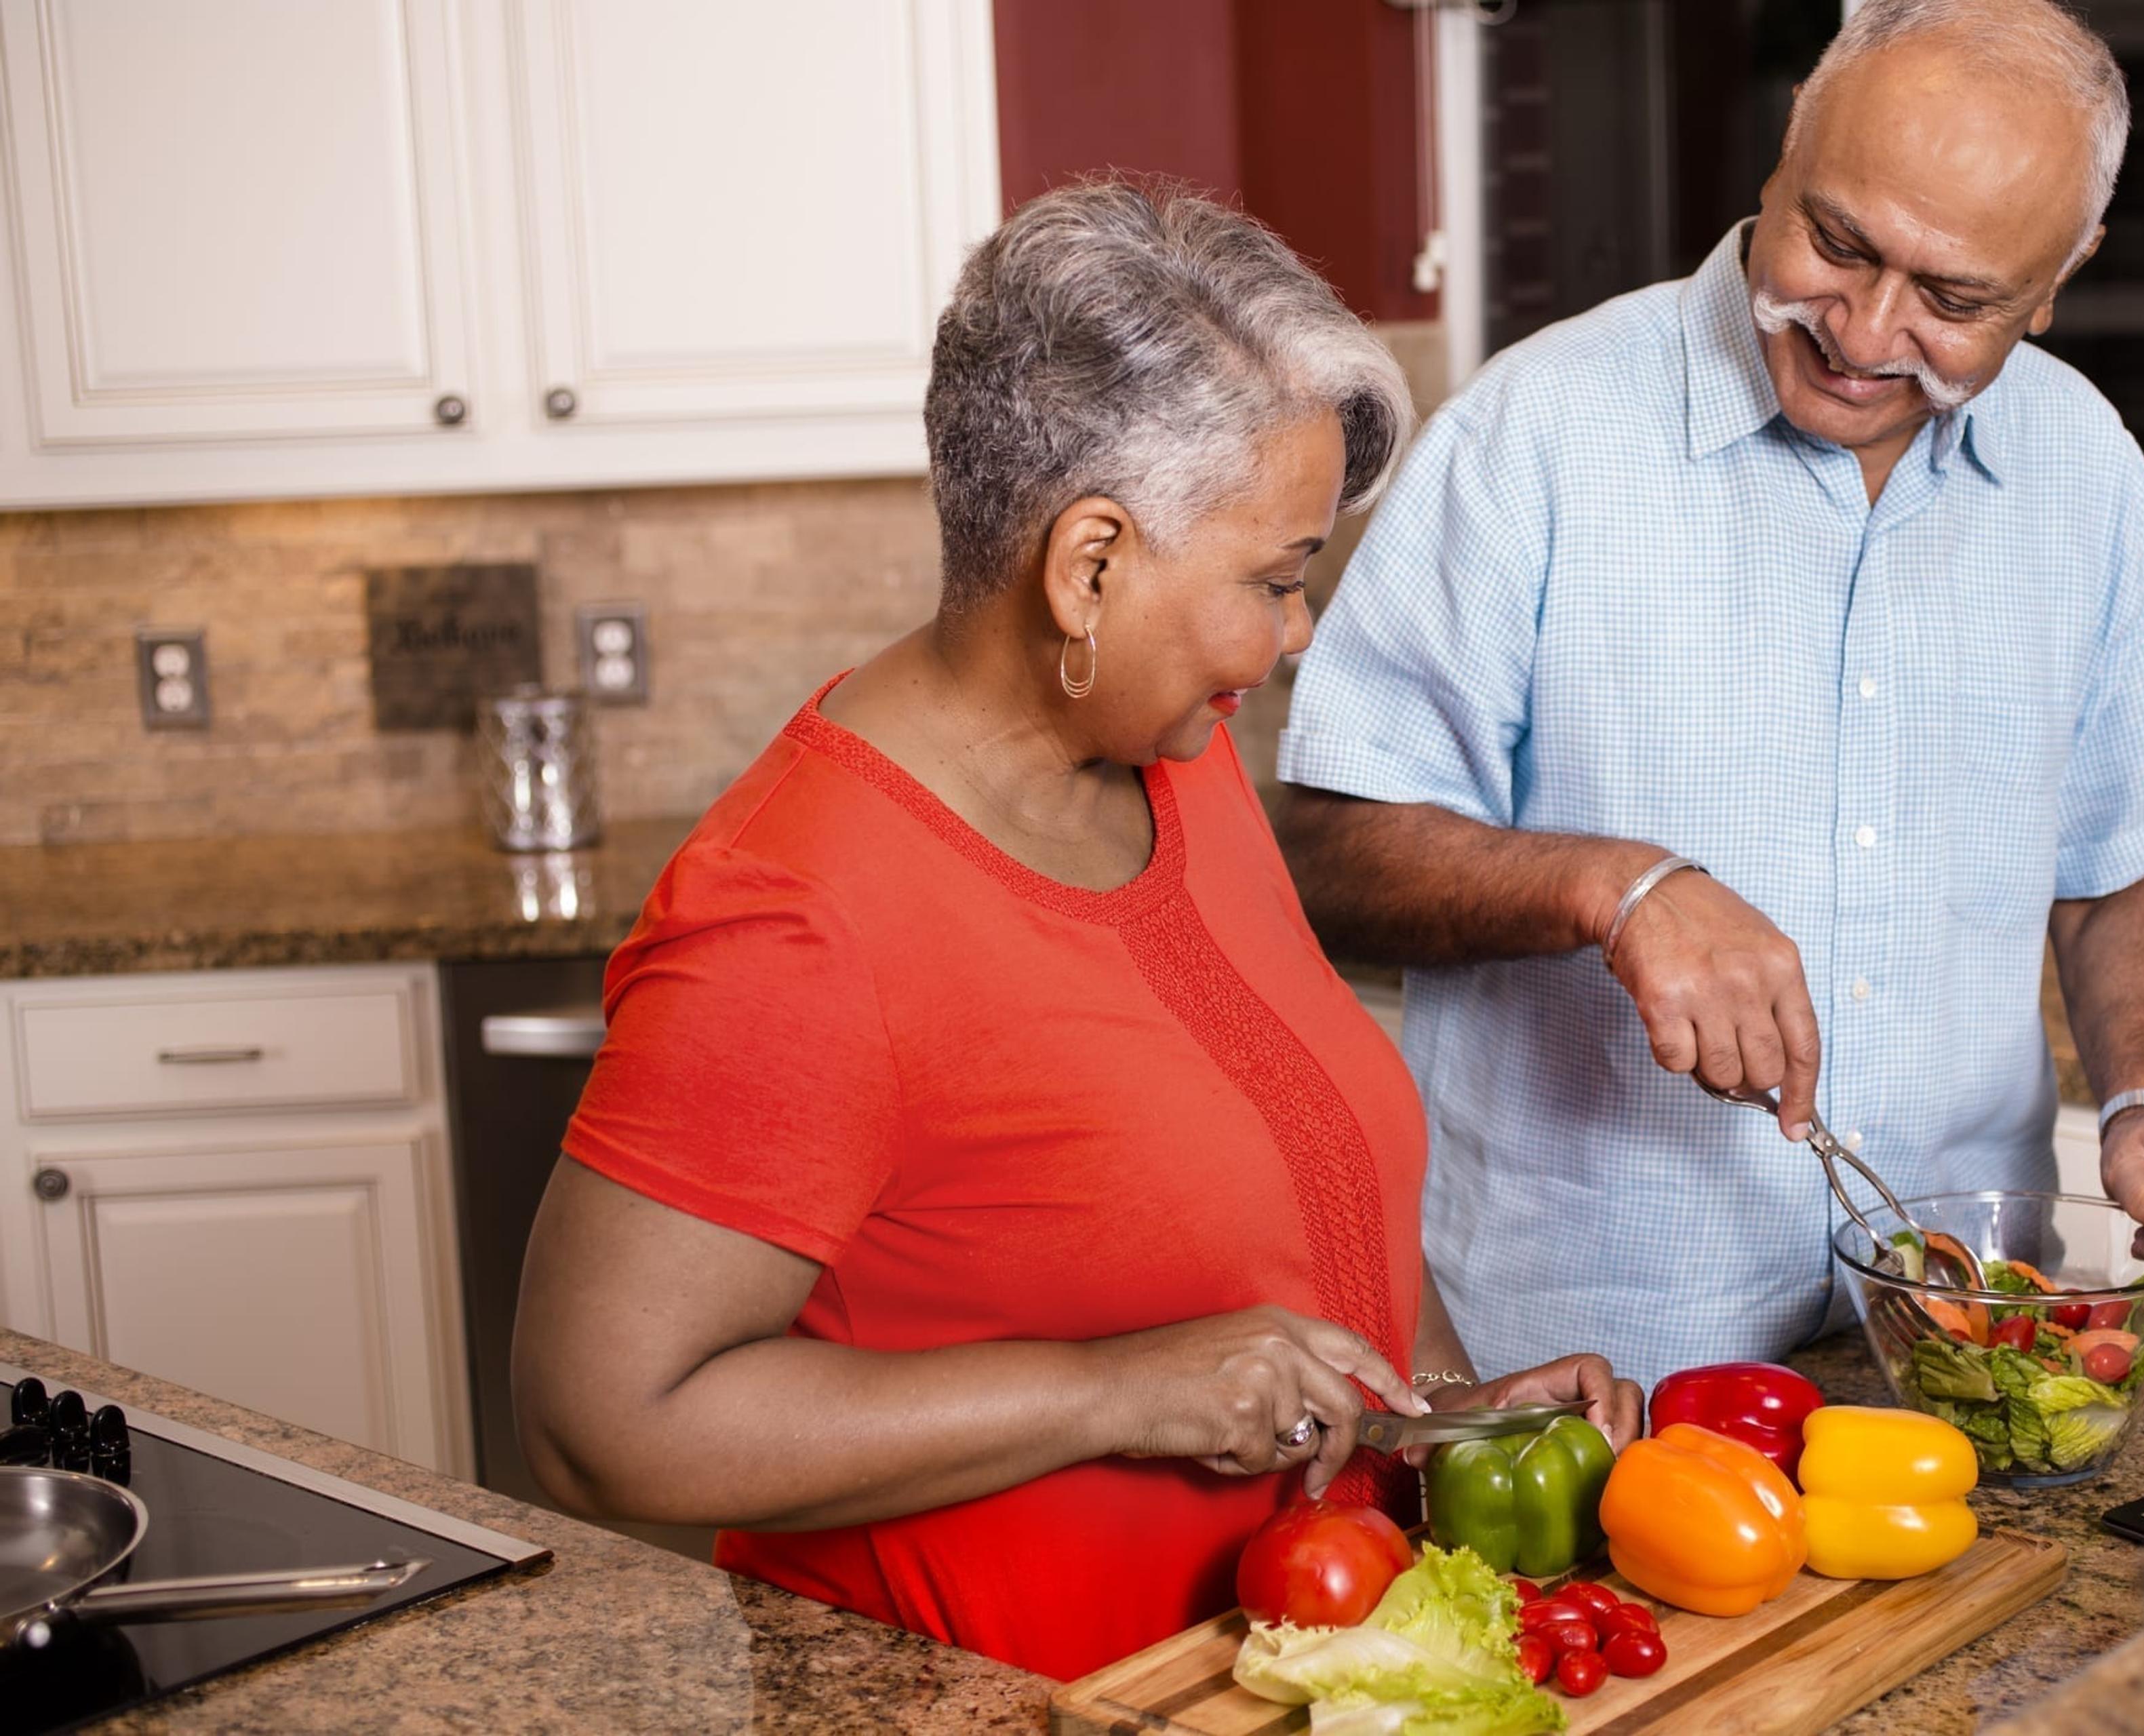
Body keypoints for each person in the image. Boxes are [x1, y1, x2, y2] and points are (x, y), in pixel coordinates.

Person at [509, 180, 1638, 1683]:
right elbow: (602, 1424)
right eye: (1277, 576)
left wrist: (1448, 1407)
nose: (1295, 632)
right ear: (1090, 564)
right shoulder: (800, 912)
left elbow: (1301, 1188)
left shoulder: (1176, 755)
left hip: (1263, 1676)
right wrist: (1110, 1392)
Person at [1273, 0, 2144, 1391]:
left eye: (1954, 298)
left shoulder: (2086, 470)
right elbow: (1322, 854)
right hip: (1578, 1368)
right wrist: (1613, 887)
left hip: (1953, 1350)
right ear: (1780, 161)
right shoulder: (1535, 434)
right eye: (1840, 243)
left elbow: (2118, 869)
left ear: (2056, 282)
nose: (1863, 331)